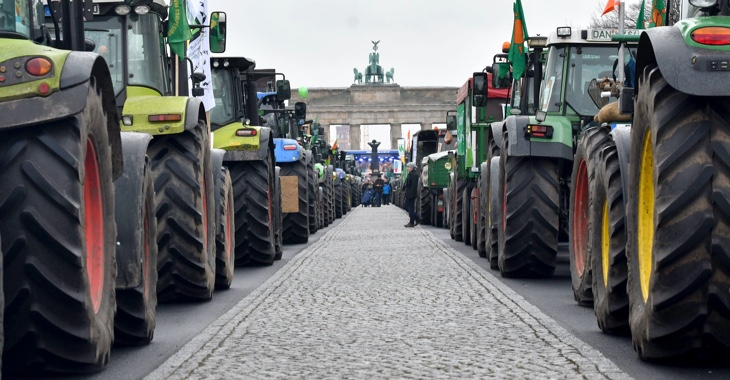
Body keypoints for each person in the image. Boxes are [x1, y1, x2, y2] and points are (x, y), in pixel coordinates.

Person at [404, 162, 419, 227]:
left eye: (409, 167)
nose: (407, 168)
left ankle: (412, 221)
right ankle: (416, 219)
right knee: (407, 207)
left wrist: (411, 195)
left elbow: (414, 186)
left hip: (411, 195)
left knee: (410, 208)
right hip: (408, 194)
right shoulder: (410, 174)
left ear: (412, 168)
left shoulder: (414, 175)